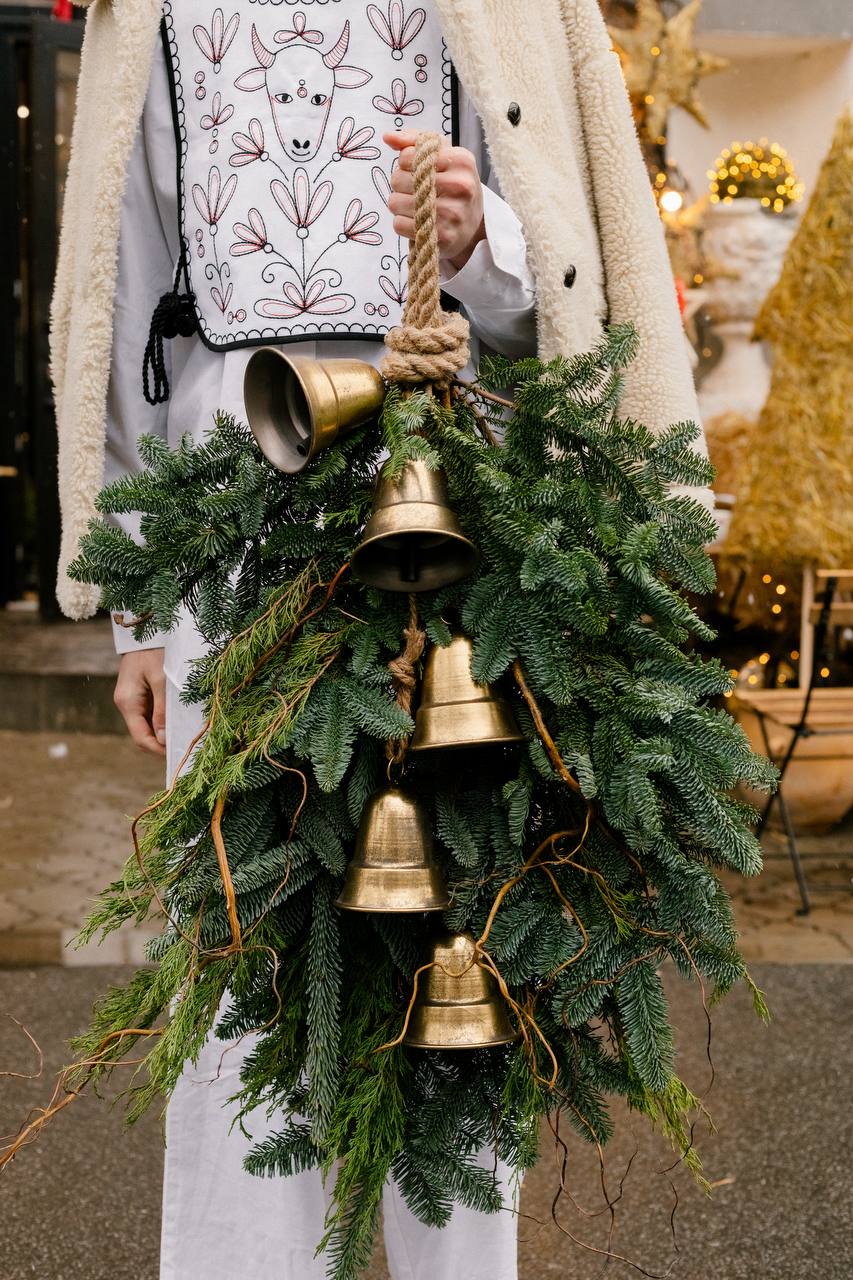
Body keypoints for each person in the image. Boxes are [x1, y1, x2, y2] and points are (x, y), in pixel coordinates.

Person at [51, 3, 709, 1276]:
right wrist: (133, 606)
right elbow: (116, 285)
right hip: (223, 532)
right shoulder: (154, 11)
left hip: (456, 511)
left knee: (456, 937)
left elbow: (574, 274)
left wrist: (478, 242)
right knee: (243, 953)